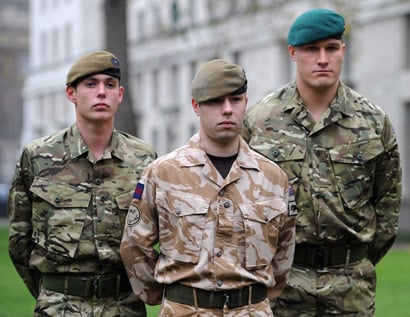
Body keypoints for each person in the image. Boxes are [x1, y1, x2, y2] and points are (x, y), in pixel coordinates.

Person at [242, 8, 402, 317]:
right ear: (293, 53)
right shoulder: (261, 121)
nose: (323, 59)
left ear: (343, 50)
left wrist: (352, 260)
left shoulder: (372, 121)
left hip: (350, 287)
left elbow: (387, 206)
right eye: (311, 50)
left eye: (331, 48)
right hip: (281, 285)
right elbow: (241, 201)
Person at [120, 59, 297, 316]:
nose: (227, 109)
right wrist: (164, 295)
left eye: (235, 100)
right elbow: (134, 245)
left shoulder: (273, 178)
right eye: (215, 101)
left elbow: (284, 252)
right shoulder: (164, 174)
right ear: (196, 106)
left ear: (245, 103)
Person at [8, 50, 156, 316]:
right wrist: (53, 292)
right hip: (59, 307)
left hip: (124, 307)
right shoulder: (38, 157)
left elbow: (155, 236)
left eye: (109, 85)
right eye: (90, 84)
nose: (101, 92)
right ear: (71, 94)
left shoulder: (143, 158)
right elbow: (19, 240)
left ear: (120, 94)